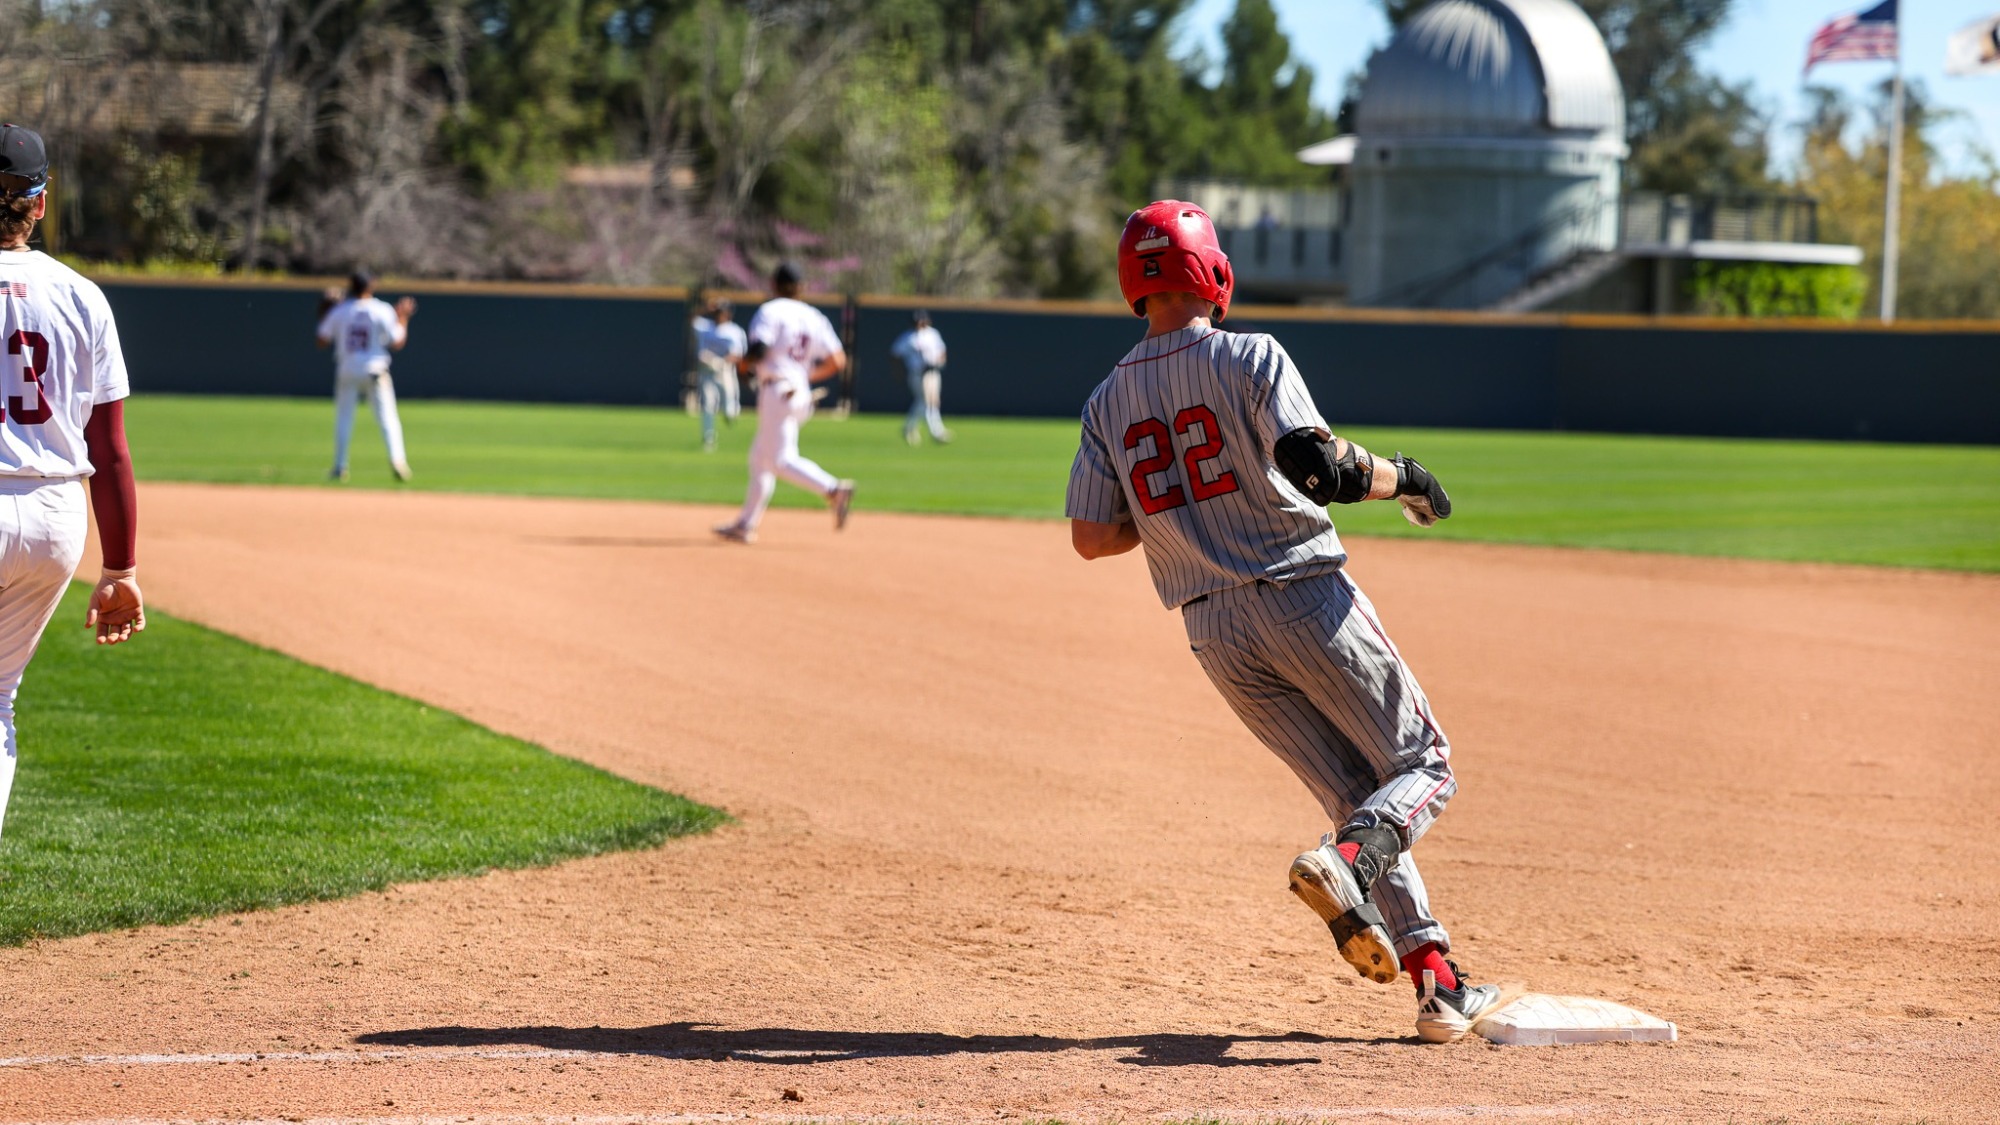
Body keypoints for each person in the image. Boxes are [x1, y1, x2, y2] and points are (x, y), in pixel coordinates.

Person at [1064, 200, 1501, 1044]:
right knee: (1424, 766)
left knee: (1352, 792)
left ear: (1134, 284)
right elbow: (1320, 466)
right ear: (1211, 272)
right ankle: (1350, 864)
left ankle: (1439, 980)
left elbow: (1090, 537)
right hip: (1303, 593)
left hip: (1212, 630)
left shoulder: (1105, 399)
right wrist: (1405, 473)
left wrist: (1179, 522)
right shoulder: (1250, 354)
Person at [0, 122, 146, 839]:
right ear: (40, 201)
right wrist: (120, 568)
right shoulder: (82, 295)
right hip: (55, 513)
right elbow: (110, 449)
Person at [713, 263, 855, 545]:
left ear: (773, 283)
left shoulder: (771, 310)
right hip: (798, 391)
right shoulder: (814, 316)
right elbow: (838, 361)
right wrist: (805, 377)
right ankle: (745, 524)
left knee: (779, 460)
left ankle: (833, 489)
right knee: (760, 459)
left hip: (778, 390)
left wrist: (742, 364)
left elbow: (760, 349)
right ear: (801, 286)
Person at [315, 269, 415, 482]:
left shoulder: (340, 310)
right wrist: (403, 318)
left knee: (344, 418)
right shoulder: (381, 310)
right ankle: (398, 461)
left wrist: (324, 309)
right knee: (388, 418)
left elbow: (322, 340)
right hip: (375, 370)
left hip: (348, 369)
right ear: (371, 285)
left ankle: (340, 466)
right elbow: (397, 342)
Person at [692, 298, 746, 451]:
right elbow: (691, 318)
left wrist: (719, 361)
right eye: (716, 311)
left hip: (725, 370)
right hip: (706, 371)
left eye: (720, 311)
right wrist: (705, 307)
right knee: (708, 406)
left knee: (730, 408)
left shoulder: (734, 330)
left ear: (728, 313)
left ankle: (731, 414)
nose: (717, 314)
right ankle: (709, 439)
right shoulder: (705, 326)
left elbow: (737, 354)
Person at [891, 309, 950, 445]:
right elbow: (895, 354)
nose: (920, 324)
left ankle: (909, 427)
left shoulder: (933, 334)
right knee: (926, 401)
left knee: (929, 401)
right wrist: (899, 372)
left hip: (933, 371)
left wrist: (940, 362)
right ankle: (936, 431)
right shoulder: (908, 337)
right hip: (917, 373)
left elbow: (941, 350)